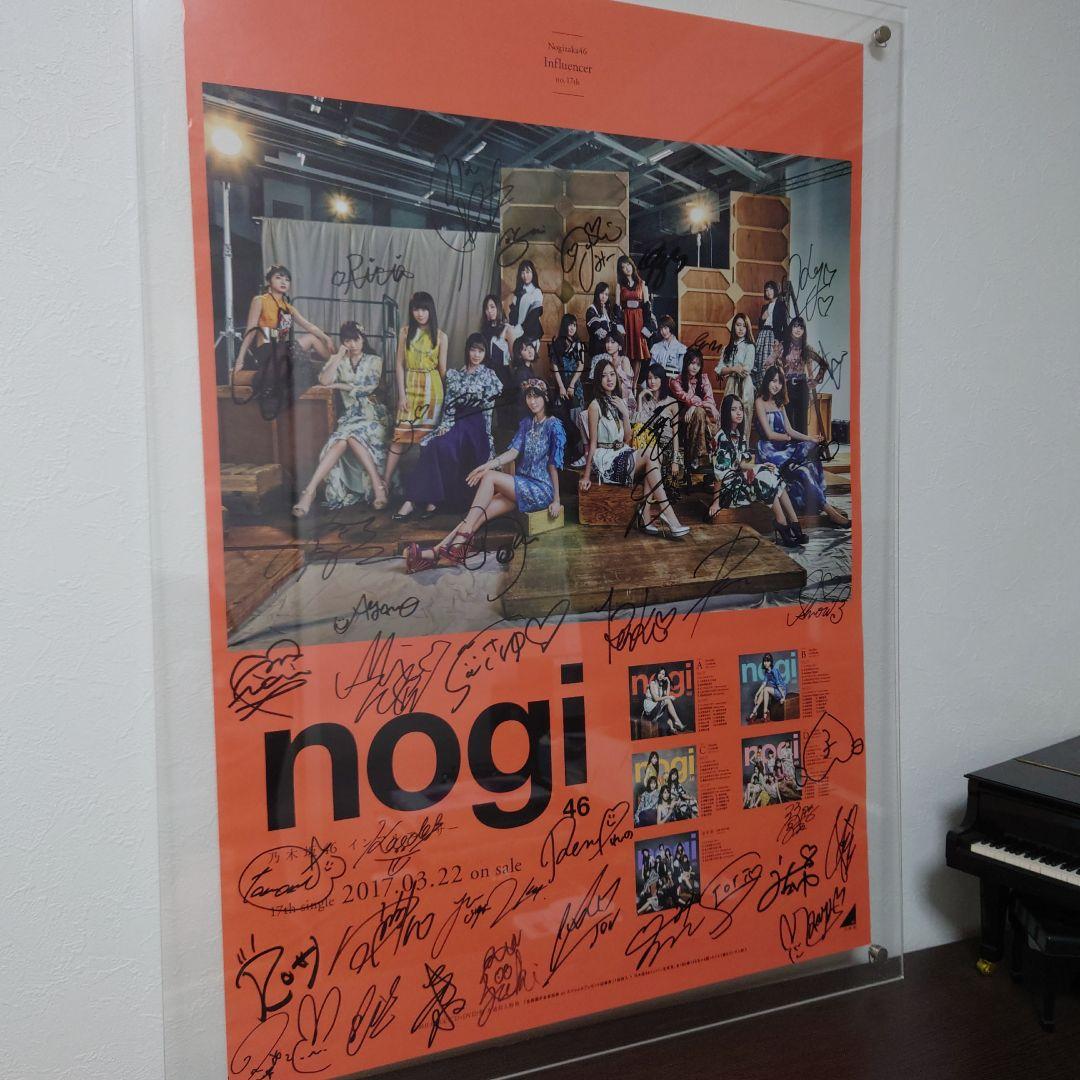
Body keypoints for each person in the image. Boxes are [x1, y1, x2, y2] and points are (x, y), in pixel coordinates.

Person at [404, 379, 564, 572]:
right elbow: (512, 453)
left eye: (536, 396)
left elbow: (553, 466)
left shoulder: (554, 426)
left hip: (540, 490)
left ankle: (460, 541)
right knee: (477, 515)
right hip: (521, 485)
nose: (532, 401)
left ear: (545, 398)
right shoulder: (526, 424)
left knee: (489, 478)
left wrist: (556, 500)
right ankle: (434, 553)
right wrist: (486, 465)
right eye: (529, 397)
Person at [393, 333, 500, 521]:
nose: (476, 355)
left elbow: (488, 410)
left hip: (475, 425)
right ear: (467, 351)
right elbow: (449, 405)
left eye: (481, 351)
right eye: (473, 350)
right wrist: (445, 424)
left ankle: (426, 501)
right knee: (434, 444)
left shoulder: (488, 375)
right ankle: (417, 501)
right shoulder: (455, 375)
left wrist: (488, 435)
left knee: (447, 447)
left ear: (485, 354)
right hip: (456, 421)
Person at [579, 358, 688, 538]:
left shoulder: (618, 401)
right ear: (598, 379)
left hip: (621, 452)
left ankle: (648, 514)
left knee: (653, 455)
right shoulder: (594, 406)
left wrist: (624, 412)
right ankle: (666, 515)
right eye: (604, 376)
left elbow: (628, 438)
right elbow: (592, 444)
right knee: (652, 455)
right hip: (605, 459)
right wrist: (586, 475)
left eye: (612, 374)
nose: (609, 379)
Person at [292, 322, 390, 516]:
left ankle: (378, 487)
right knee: (339, 441)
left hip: (373, 415)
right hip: (351, 417)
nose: (353, 344)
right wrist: (337, 356)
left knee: (352, 437)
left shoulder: (374, 360)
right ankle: (309, 492)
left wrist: (340, 386)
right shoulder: (340, 361)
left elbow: (368, 388)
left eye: (356, 339)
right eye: (347, 340)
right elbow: (324, 380)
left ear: (363, 339)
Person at [233, 264, 335, 418]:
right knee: (303, 354)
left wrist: (326, 338)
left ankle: (336, 363)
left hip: (282, 349)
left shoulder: (288, 308)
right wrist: (240, 359)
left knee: (312, 338)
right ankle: (332, 363)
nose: (283, 282)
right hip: (266, 350)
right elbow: (251, 330)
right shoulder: (260, 300)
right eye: (278, 278)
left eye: (287, 279)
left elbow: (308, 325)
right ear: (269, 281)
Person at [754, 365, 851, 526]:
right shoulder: (760, 402)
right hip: (769, 451)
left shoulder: (779, 403)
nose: (777, 385)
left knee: (807, 466)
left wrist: (810, 438)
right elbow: (769, 434)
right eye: (773, 381)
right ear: (767, 381)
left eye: (780, 382)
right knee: (802, 462)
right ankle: (829, 511)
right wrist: (786, 438)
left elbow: (790, 430)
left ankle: (829, 510)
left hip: (784, 449)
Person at [707, 394, 807, 548]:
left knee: (773, 471)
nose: (739, 413)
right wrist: (716, 502)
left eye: (740, 409)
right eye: (733, 409)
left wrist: (763, 465)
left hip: (740, 481)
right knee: (765, 478)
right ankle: (782, 523)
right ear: (726, 412)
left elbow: (741, 463)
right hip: (729, 491)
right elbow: (719, 475)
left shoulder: (739, 434)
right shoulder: (721, 438)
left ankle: (794, 523)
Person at [383, 291, 447, 496]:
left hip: (432, 392)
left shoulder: (441, 336)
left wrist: (448, 398)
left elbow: (442, 370)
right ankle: (384, 484)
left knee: (428, 442)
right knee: (399, 437)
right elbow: (399, 365)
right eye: (416, 309)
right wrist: (402, 395)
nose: (420, 313)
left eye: (424, 309)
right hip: (410, 389)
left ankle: (425, 490)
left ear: (431, 310)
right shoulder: (405, 332)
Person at [770, 315, 824, 436]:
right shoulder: (783, 346)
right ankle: (788, 446)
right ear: (791, 328)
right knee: (788, 420)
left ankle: (802, 447)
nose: (798, 329)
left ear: (804, 331)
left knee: (802, 421)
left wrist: (816, 380)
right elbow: (768, 362)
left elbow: (823, 364)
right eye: (795, 326)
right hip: (786, 386)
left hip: (802, 386)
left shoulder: (807, 348)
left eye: (801, 327)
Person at [669, 347, 718, 472]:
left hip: (702, 420)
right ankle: (700, 458)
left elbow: (711, 400)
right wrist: (696, 406)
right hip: (684, 420)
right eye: (692, 363)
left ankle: (697, 458)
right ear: (686, 363)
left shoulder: (704, 379)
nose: (695, 367)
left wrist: (695, 406)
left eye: (698, 364)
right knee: (700, 412)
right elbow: (687, 398)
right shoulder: (676, 381)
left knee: (700, 413)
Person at [631, 363, 681, 486]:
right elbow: (637, 425)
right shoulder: (645, 400)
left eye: (656, 378)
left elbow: (675, 433)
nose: (652, 381)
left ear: (662, 379)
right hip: (648, 444)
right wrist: (640, 397)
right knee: (638, 428)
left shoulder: (672, 402)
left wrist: (675, 461)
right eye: (649, 378)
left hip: (665, 446)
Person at [549, 313, 585, 464]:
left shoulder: (579, 344)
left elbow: (581, 365)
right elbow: (555, 367)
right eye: (570, 325)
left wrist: (571, 385)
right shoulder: (557, 344)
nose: (572, 328)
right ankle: (565, 453)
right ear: (565, 326)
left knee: (576, 418)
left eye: (574, 325)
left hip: (575, 387)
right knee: (563, 419)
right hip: (561, 386)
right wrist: (562, 387)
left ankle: (579, 453)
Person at [616, 256, 656, 383]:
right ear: (621, 271)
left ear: (632, 265)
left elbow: (647, 307)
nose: (626, 268)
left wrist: (647, 325)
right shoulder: (619, 286)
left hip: (639, 320)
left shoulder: (642, 284)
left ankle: (634, 385)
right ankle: (627, 383)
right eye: (623, 267)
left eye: (628, 265)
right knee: (626, 352)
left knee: (638, 354)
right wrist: (619, 324)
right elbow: (617, 307)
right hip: (626, 320)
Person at [718, 313, 756, 438]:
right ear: (734, 326)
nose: (741, 329)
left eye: (744, 326)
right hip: (731, 383)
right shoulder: (727, 348)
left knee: (744, 414)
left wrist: (729, 369)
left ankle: (743, 444)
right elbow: (720, 369)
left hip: (745, 384)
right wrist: (733, 369)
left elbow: (746, 368)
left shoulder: (750, 346)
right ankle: (726, 443)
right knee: (728, 411)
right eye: (738, 325)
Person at [754, 279, 788, 388]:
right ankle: (760, 388)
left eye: (770, 289)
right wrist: (762, 318)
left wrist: (780, 339)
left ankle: (770, 388)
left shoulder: (781, 305)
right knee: (760, 362)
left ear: (775, 290)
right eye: (766, 290)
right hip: (763, 335)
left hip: (773, 336)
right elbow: (760, 326)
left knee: (770, 364)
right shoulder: (764, 307)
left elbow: (785, 326)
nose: (768, 292)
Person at [593, 331, 636, 410]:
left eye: (612, 342)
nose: (609, 345)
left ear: (619, 346)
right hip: (608, 397)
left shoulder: (623, 360)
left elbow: (627, 384)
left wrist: (621, 402)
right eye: (607, 342)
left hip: (624, 398)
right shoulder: (605, 360)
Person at [585, 282, 624, 367]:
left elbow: (615, 326)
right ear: (597, 294)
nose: (604, 297)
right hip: (597, 349)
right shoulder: (592, 310)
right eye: (601, 293)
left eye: (606, 294)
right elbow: (599, 331)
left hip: (608, 349)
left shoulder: (607, 309)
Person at [508, 259, 544, 346]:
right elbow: (513, 313)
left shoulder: (536, 292)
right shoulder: (518, 292)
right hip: (517, 332)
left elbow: (535, 314)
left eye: (528, 272)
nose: (525, 275)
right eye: (522, 272)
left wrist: (521, 328)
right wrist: (513, 327)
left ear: (533, 273)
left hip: (531, 332)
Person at [641, 667, 686, 734]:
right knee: (667, 700)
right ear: (657, 674)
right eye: (659, 673)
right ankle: (677, 722)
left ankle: (672, 727)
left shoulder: (661, 685)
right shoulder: (652, 684)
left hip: (655, 711)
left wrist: (668, 682)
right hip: (649, 713)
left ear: (664, 676)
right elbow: (656, 699)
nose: (661, 675)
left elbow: (667, 695)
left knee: (668, 708)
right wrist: (668, 697)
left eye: (663, 674)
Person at [748, 652, 787, 722]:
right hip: (776, 690)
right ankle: (755, 711)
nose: (765, 663)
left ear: (770, 662)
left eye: (767, 661)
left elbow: (779, 685)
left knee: (766, 689)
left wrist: (783, 697)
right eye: (764, 661)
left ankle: (764, 713)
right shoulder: (767, 672)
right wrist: (756, 695)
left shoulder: (774, 670)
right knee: (764, 689)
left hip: (781, 691)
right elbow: (763, 684)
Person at [649, 315, 687, 379]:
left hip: (674, 381)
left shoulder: (681, 348)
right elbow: (652, 369)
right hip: (658, 381)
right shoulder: (656, 347)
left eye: (666, 328)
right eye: (661, 329)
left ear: (671, 327)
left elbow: (681, 371)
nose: (663, 331)